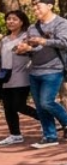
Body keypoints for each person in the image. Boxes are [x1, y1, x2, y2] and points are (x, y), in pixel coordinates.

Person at [15, 0, 67, 147]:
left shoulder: (62, 23)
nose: (35, 9)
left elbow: (64, 43)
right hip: (35, 70)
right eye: (33, 6)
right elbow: (34, 49)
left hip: (53, 69)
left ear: (50, 6)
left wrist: (43, 41)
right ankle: (50, 136)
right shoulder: (32, 27)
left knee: (46, 102)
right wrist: (25, 49)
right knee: (40, 106)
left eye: (38, 6)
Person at [1, 9, 39, 146]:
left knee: (19, 105)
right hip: (5, 77)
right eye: (8, 19)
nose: (10, 22)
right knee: (8, 107)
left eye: (14, 19)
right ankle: (15, 135)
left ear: (21, 22)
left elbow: (33, 52)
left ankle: (48, 119)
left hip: (22, 75)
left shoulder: (26, 37)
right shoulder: (4, 39)